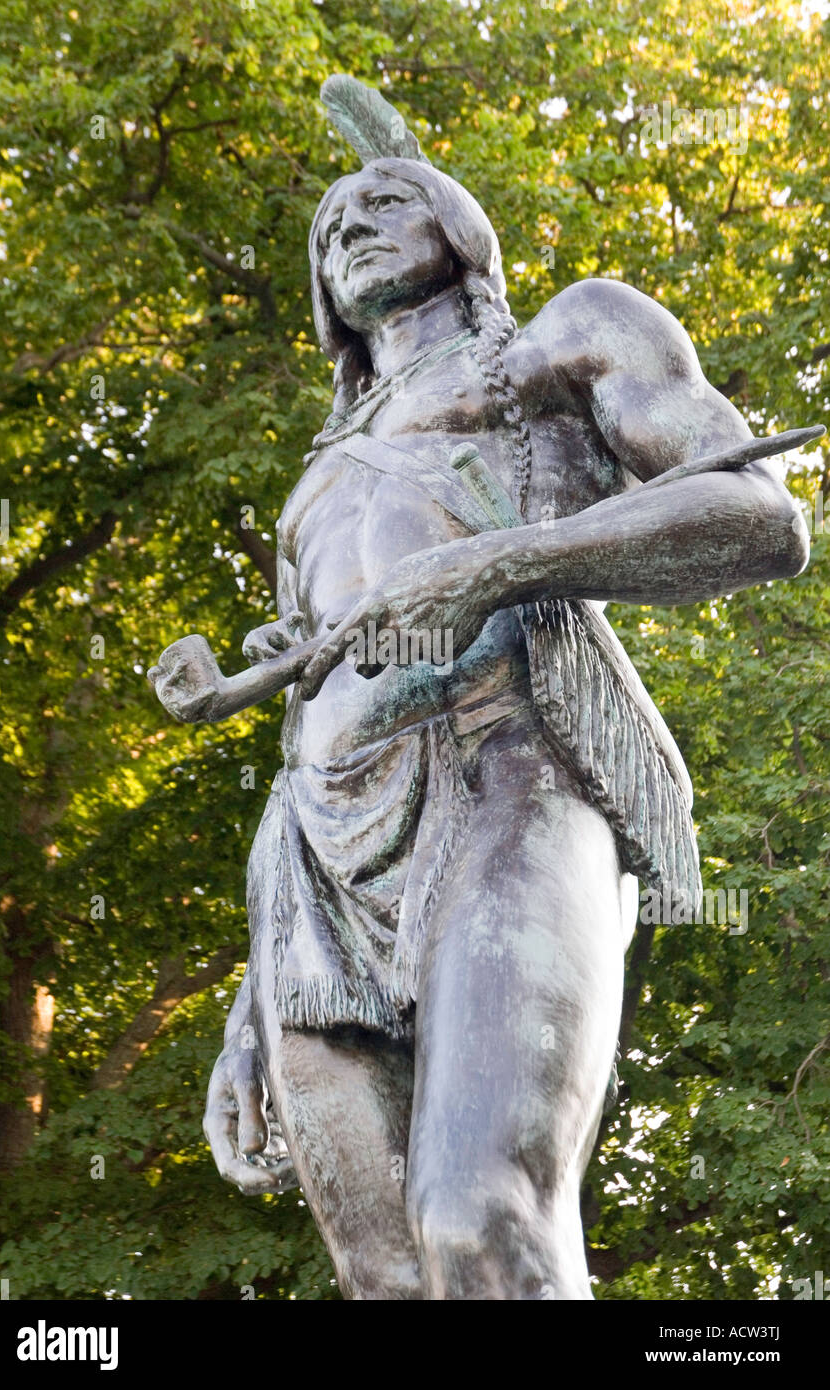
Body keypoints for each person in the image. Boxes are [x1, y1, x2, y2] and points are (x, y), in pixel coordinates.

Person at [149, 149, 809, 1299]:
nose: (349, 225)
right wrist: (247, 1012)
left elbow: (757, 517)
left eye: (385, 200)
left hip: (507, 776)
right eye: (328, 225)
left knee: (475, 1218)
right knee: (381, 1275)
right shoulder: (311, 486)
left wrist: (495, 564)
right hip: (314, 863)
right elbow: (307, 716)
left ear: (459, 229)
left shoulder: (565, 335)